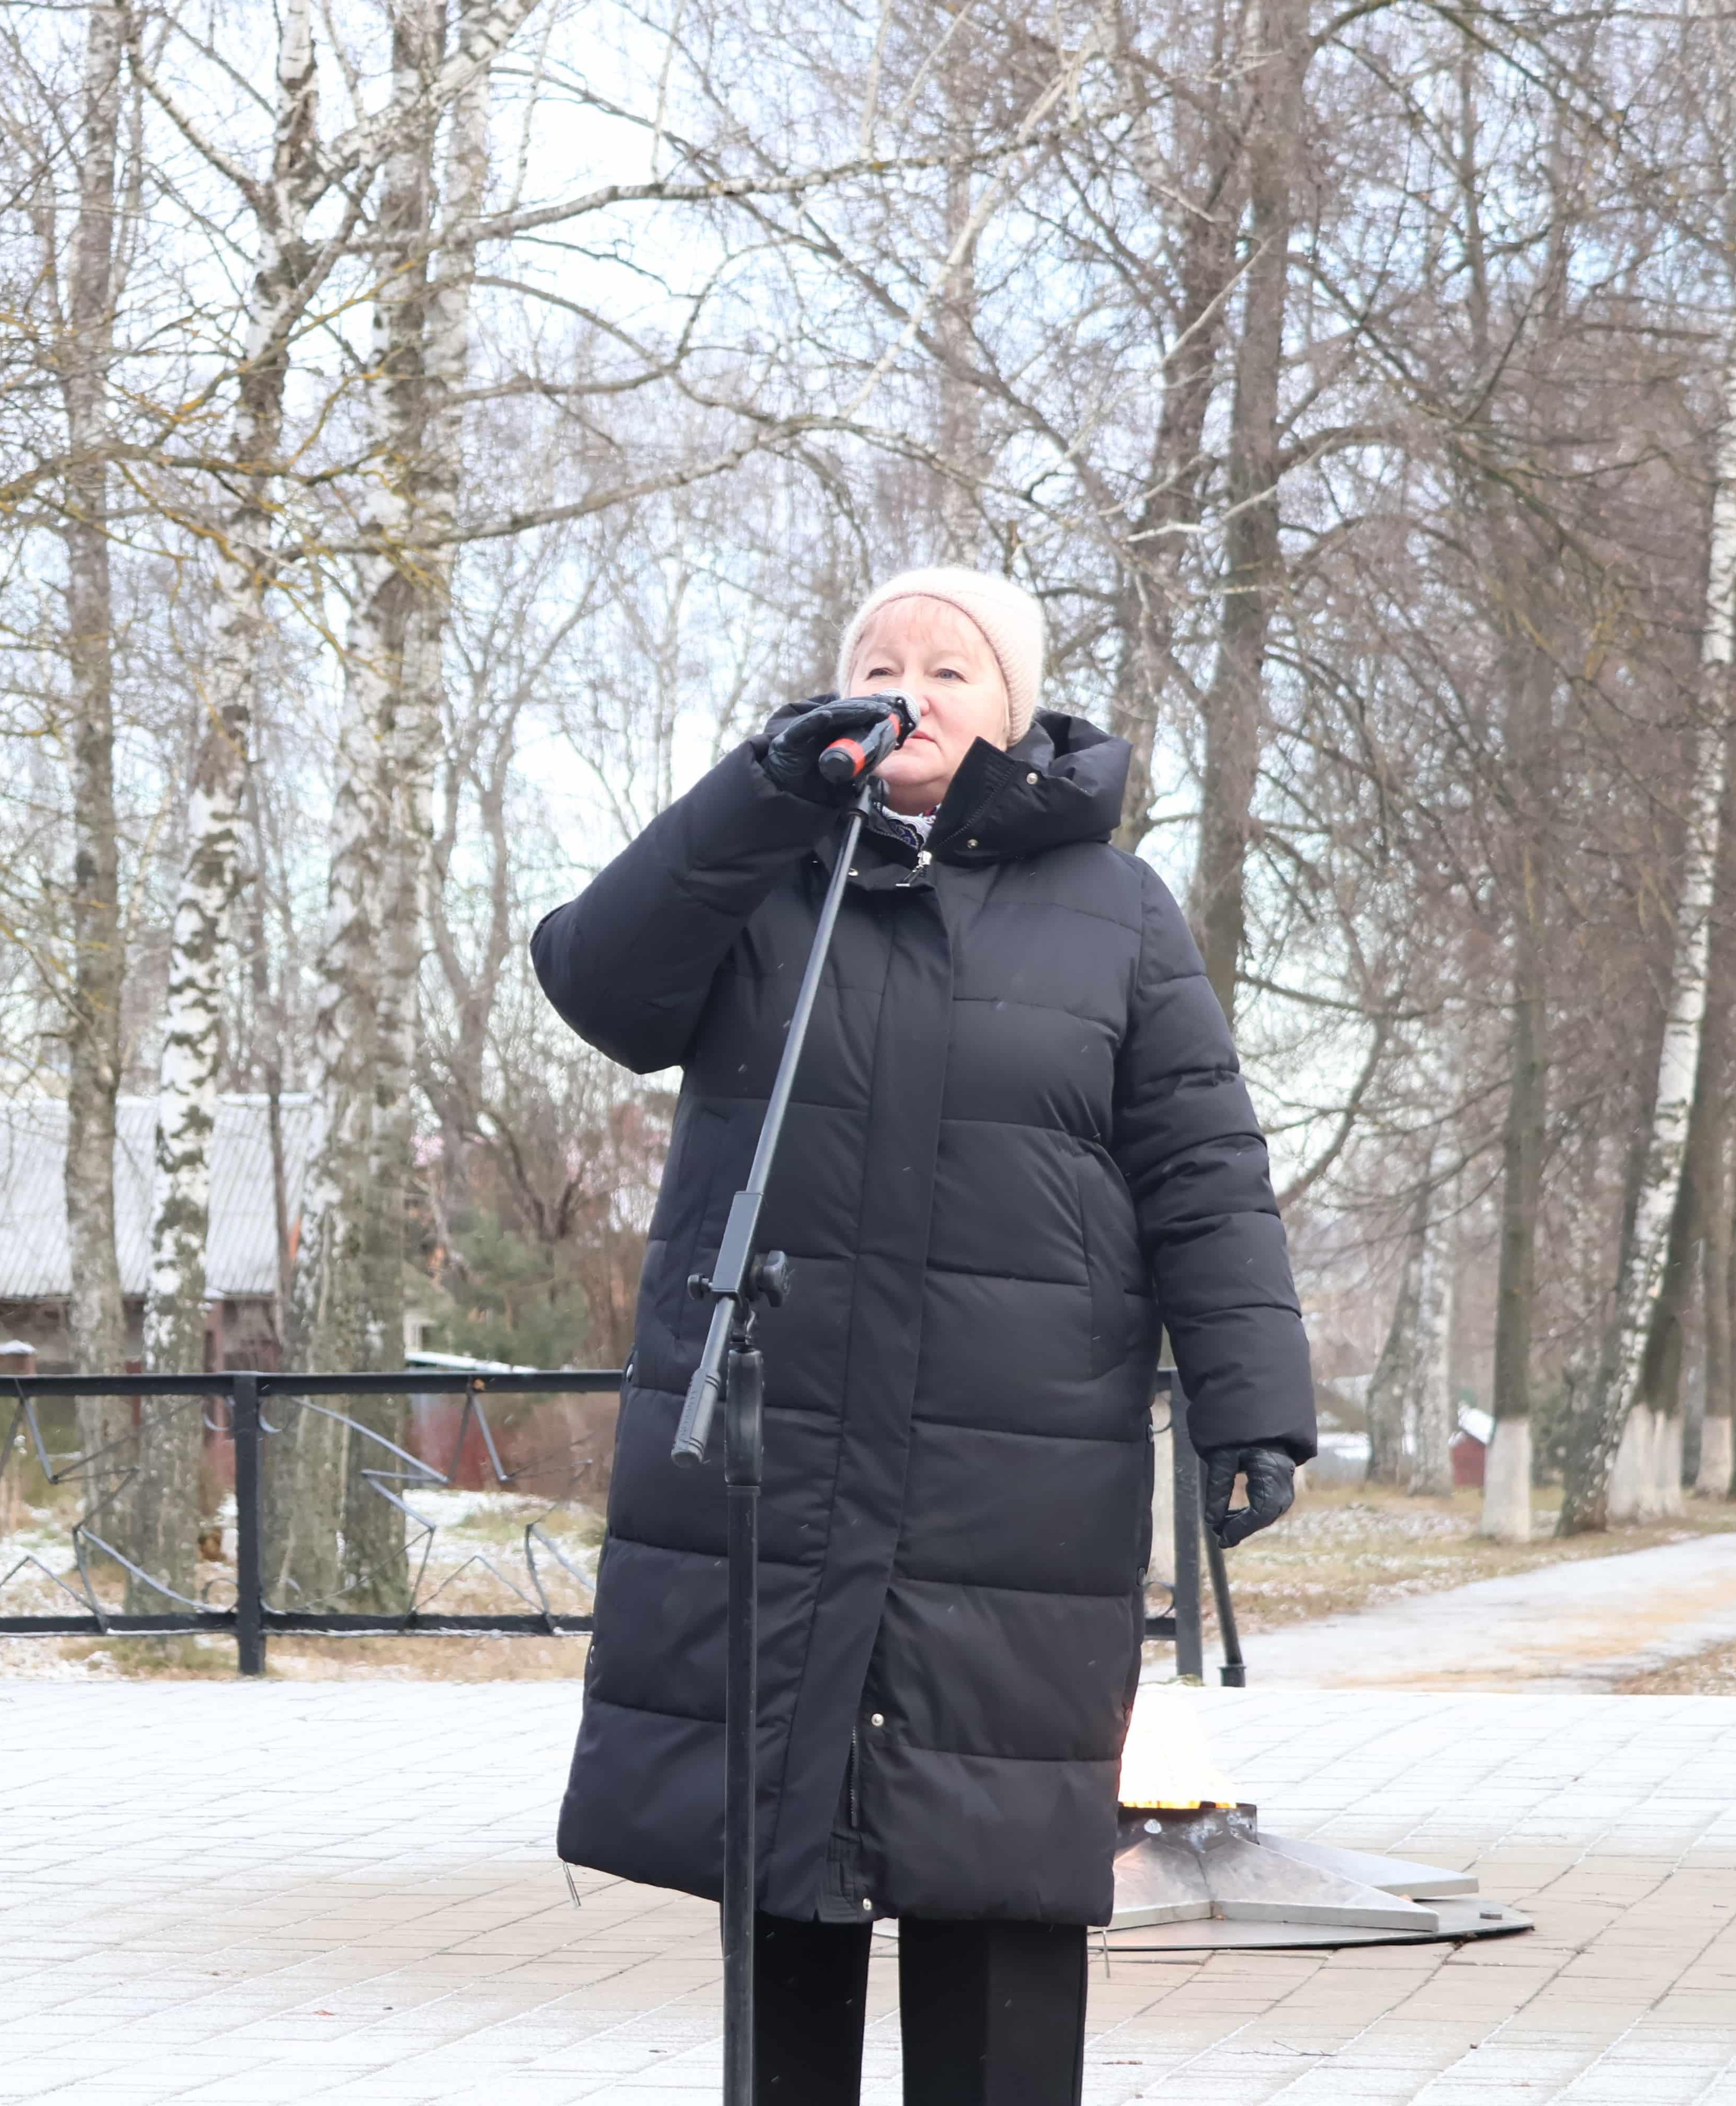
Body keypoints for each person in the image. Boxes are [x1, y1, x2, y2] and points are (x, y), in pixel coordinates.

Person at [532, 567, 1312, 2102]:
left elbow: (1203, 1167)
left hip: (1008, 1492)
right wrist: (753, 796)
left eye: (950, 667)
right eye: (877, 661)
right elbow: (598, 982)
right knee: (782, 1876)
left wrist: (1253, 1404)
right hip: (780, 1465)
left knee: (998, 1892)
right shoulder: (766, 875)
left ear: (1015, 713)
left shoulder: (1116, 913)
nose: (910, 685)